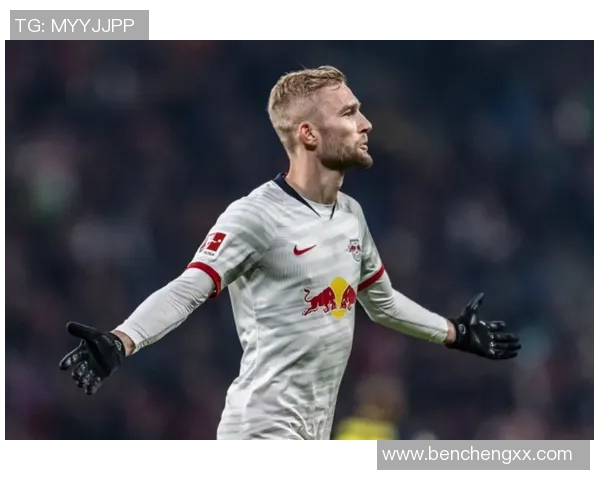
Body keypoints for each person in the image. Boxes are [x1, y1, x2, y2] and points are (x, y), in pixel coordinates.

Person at [58, 66, 522, 440]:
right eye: (349, 113)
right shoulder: (255, 216)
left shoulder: (351, 214)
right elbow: (189, 287)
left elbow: (381, 303)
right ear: (309, 134)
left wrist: (455, 333)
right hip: (261, 433)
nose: (366, 124)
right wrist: (122, 339)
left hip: (312, 435)